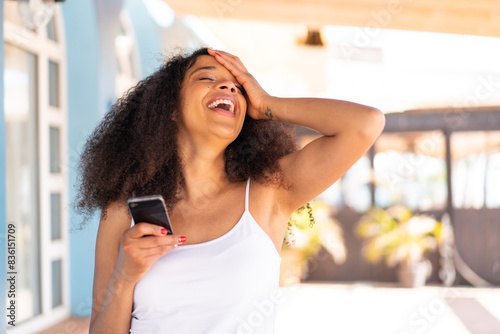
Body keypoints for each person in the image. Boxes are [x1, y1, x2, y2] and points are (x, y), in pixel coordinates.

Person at [79, 47, 385, 333]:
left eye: (238, 87)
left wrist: (267, 104)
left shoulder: (270, 192)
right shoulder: (123, 210)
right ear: (170, 108)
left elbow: (366, 123)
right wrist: (124, 277)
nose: (228, 88)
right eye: (207, 77)